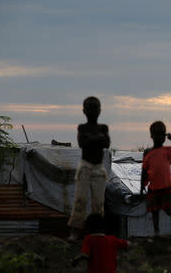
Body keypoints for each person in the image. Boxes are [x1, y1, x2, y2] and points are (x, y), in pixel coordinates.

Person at [68, 96, 110, 241]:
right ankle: (75, 231)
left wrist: (91, 138)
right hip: (85, 166)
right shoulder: (82, 127)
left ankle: (96, 232)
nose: (93, 111)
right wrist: (97, 138)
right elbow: (82, 143)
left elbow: (106, 143)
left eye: (95, 108)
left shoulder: (103, 127)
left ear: (100, 111)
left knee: (98, 203)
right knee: (80, 200)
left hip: (98, 168)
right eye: (90, 108)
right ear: (84, 111)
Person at [140, 121, 171, 236]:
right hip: (153, 188)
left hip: (167, 187)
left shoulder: (168, 150)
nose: (159, 137)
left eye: (162, 134)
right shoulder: (148, 152)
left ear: (165, 136)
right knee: (154, 211)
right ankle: (156, 232)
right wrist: (142, 186)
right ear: (151, 136)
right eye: (157, 134)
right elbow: (144, 170)